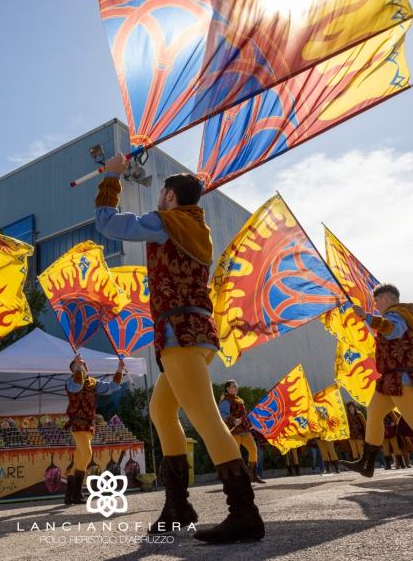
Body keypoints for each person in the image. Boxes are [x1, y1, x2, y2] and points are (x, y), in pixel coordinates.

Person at [95, 153, 264, 543]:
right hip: (195, 333)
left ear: (170, 195)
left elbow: (108, 224)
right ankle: (178, 507)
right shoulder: (196, 226)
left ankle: (244, 513)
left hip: (180, 335)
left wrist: (112, 179)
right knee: (161, 409)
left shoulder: (167, 222)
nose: (157, 197)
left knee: (206, 420)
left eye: (160, 192)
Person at [343, 284, 413, 491]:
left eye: (376, 301)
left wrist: (367, 317)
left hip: (402, 378)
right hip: (390, 379)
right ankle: (366, 463)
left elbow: (391, 328)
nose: (375, 305)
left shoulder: (397, 315)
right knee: (374, 414)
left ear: (386, 298)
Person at [64, 355, 124, 506]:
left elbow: (112, 387)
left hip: (89, 424)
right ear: (74, 369)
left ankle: (70, 495)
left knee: (80, 456)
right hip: (77, 422)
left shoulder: (93, 383)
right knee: (87, 453)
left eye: (82, 365)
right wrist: (77, 366)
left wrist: (119, 370)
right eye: (77, 366)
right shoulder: (71, 382)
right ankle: (77, 493)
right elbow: (77, 386)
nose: (81, 367)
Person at [218, 380, 264, 483]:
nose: (235, 388)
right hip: (234, 432)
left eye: (236, 386)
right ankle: (234, 478)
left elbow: (244, 414)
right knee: (235, 454)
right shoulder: (225, 401)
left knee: (253, 449)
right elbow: (223, 415)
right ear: (228, 389)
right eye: (233, 386)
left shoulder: (240, 400)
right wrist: (234, 420)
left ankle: (253, 475)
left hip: (245, 430)